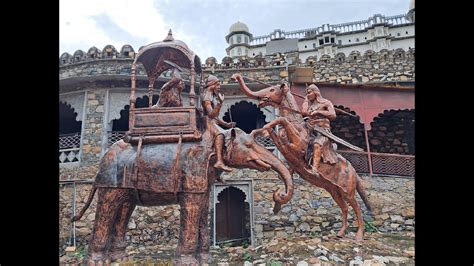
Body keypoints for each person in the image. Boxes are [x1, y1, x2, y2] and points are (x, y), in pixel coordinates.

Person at [301, 84, 338, 175]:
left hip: (323, 132)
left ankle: (315, 170)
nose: (308, 95)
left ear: (315, 92)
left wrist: (318, 111)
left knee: (317, 144)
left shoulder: (326, 102)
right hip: (310, 130)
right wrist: (306, 100)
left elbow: (333, 114)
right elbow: (304, 112)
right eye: (306, 94)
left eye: (309, 93)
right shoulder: (310, 105)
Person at [201, 75, 236, 172]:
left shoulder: (212, 96)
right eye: (217, 84)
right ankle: (219, 161)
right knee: (219, 135)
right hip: (207, 122)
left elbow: (216, 117)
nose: (219, 87)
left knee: (228, 133)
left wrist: (226, 124)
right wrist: (220, 104)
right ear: (211, 85)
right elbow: (211, 114)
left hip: (213, 121)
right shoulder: (207, 96)